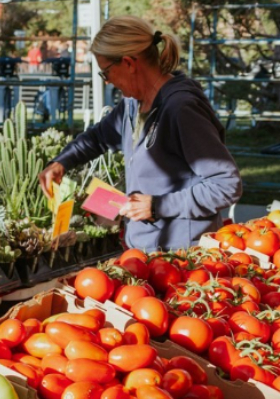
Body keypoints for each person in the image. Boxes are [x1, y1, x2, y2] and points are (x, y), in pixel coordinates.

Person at [38, 16, 241, 251]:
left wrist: (158, 206)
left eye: (106, 73)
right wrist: (61, 162)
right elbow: (98, 137)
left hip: (182, 256)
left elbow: (226, 185)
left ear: (129, 63)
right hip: (144, 250)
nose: (107, 82)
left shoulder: (181, 110)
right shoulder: (133, 104)